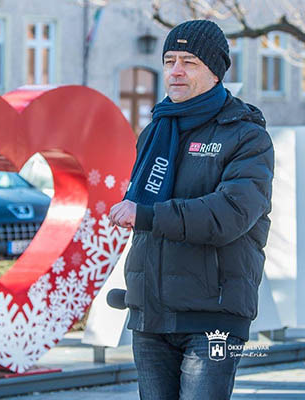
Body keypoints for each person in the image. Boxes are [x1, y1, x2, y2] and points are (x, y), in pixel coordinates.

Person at [109, 20, 274, 400]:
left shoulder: (246, 135)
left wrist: (147, 215)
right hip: (151, 315)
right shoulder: (156, 131)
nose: (176, 71)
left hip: (212, 317)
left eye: (189, 62)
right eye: (170, 61)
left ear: (215, 71)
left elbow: (229, 214)